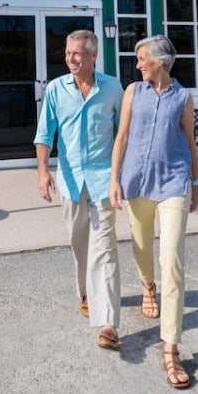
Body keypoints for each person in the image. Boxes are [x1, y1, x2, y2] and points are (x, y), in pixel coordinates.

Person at [110, 35, 198, 389]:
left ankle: (171, 350)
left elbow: (190, 141)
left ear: (161, 61)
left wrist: (196, 182)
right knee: (141, 244)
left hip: (174, 181)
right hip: (136, 180)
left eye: (142, 59)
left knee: (173, 262)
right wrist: (114, 179)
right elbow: (121, 137)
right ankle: (148, 286)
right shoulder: (134, 91)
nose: (138, 64)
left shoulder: (183, 97)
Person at [35, 29, 125, 351]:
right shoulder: (56, 90)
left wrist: (119, 176)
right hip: (70, 180)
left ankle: (109, 323)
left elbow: (121, 136)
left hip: (103, 180)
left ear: (92, 55)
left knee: (106, 247)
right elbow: (45, 133)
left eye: (77, 53)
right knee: (80, 245)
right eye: (67, 53)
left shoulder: (113, 88)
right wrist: (43, 172)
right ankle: (87, 293)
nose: (70, 58)